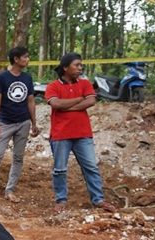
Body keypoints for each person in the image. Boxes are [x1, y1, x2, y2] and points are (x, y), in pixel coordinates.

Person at [45, 52, 116, 213]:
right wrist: (79, 99)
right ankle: (61, 200)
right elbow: (55, 104)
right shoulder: (53, 86)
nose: (80, 68)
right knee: (60, 169)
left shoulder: (84, 83)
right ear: (65, 67)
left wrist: (67, 106)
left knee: (91, 166)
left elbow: (90, 100)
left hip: (83, 134)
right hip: (61, 134)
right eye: (76, 65)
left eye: (80, 65)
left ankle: (98, 200)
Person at [0, 47, 40, 203]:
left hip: (23, 122)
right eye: (25, 57)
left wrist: (34, 123)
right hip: (5, 123)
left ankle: (10, 190)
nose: (27, 60)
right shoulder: (2, 78)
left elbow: (30, 101)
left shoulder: (27, 78)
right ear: (16, 59)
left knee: (18, 158)